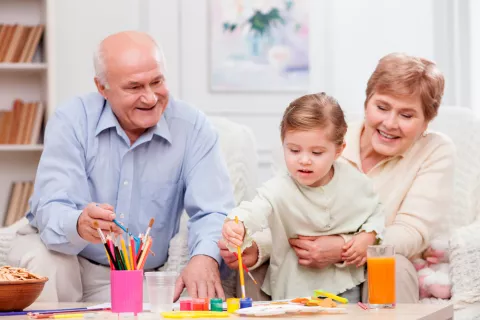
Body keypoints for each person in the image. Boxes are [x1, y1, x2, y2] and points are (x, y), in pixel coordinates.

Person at [7, 31, 235, 302]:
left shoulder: (192, 127)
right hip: (66, 256)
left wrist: (205, 256)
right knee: (51, 263)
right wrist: (80, 224)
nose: (150, 98)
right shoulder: (72, 120)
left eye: (157, 82)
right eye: (134, 87)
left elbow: (213, 210)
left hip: (135, 273)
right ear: (102, 88)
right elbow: (52, 206)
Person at [219, 53, 454, 303]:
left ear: (427, 121)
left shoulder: (435, 150)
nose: (389, 123)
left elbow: (411, 231)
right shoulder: (321, 139)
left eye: (406, 115)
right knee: (260, 267)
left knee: (391, 265)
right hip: (305, 264)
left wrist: (345, 248)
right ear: (367, 103)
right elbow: (283, 210)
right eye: (382, 107)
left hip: (379, 259)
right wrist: (256, 249)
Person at [221, 93, 385, 301]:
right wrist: (237, 224)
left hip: (344, 285)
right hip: (294, 288)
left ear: (338, 150)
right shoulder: (279, 187)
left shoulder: (356, 182)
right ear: (283, 145)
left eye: (317, 153)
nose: (304, 160)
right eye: (294, 150)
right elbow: (254, 209)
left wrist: (368, 236)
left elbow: (376, 212)